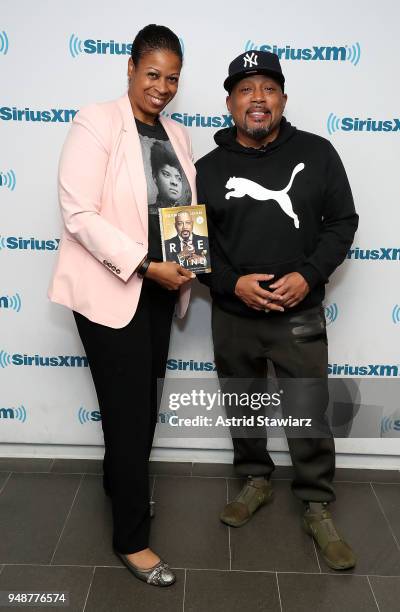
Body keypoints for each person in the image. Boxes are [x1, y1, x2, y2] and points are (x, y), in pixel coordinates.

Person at [196, 51, 359, 571]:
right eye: (246, 90)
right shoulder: (205, 169)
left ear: (283, 99)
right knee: (242, 404)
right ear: (230, 103)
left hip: (299, 312)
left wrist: (308, 275)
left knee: (308, 409)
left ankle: (316, 504)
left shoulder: (319, 153)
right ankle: (255, 479)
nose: (257, 99)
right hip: (234, 312)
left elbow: (343, 222)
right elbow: (189, 248)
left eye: (267, 88)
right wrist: (232, 284)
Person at [48, 24, 196, 587]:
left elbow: (181, 210)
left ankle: (123, 484)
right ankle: (131, 539)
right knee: (129, 413)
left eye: (173, 78)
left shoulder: (177, 135)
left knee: (141, 406)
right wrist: (143, 262)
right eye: (153, 73)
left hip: (159, 291)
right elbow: (79, 213)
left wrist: (184, 261)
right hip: (114, 290)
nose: (162, 87)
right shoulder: (97, 121)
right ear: (130, 68)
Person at [150, 140, 184, 213]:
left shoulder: (189, 213)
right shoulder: (146, 211)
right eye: (167, 174)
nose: (174, 182)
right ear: (155, 176)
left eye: (178, 178)